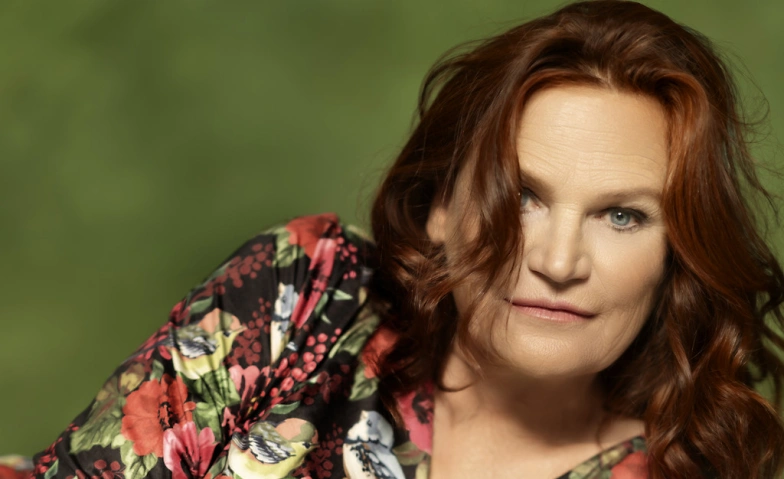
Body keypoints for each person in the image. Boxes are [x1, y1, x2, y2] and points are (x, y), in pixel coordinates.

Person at [2, 0, 783, 477]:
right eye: (520, 196)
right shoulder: (312, 294)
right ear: (440, 206)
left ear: (675, 255)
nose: (557, 261)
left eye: (622, 215)